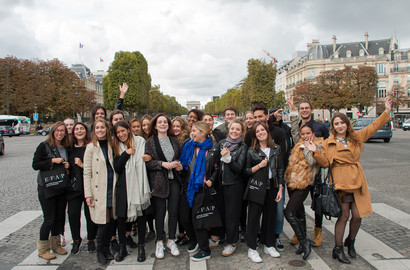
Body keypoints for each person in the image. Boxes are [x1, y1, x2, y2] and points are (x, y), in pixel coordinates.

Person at [305, 97, 393, 264]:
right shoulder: (328, 143)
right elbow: (324, 164)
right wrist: (313, 151)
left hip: (357, 180)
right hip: (341, 181)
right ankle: (337, 249)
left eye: (342, 123)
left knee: (358, 216)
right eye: (336, 123)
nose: (340, 126)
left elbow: (373, 127)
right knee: (344, 216)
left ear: (347, 124)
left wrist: (387, 112)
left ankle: (350, 241)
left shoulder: (356, 137)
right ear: (333, 126)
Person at [287, 96, 329, 247]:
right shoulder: (298, 126)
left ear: (311, 110)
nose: (304, 110)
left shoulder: (320, 127)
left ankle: (318, 231)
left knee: (317, 202)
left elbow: (328, 146)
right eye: (301, 108)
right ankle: (300, 232)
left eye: (306, 108)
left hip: (315, 171)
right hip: (300, 172)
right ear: (299, 111)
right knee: (297, 204)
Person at [179, 121, 219, 262]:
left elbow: (217, 168)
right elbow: (184, 165)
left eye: (195, 130)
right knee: (184, 217)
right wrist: (180, 167)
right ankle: (194, 239)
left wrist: (211, 180)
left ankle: (204, 249)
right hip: (188, 187)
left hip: (202, 189)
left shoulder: (213, 148)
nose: (192, 132)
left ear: (202, 133)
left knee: (199, 220)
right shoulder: (188, 145)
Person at [244, 122, 284, 263]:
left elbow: (280, 170)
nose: (261, 133)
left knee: (270, 216)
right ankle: (252, 249)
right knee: (254, 218)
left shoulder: (276, 149)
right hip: (257, 187)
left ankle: (269, 244)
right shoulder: (251, 151)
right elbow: (246, 171)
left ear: (267, 131)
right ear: (255, 135)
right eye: (257, 131)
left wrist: (280, 188)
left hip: (272, 187)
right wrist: (259, 166)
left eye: (263, 130)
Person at [145, 114, 182, 259]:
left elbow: (178, 157)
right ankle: (160, 241)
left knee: (173, 212)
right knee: (160, 214)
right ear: (155, 125)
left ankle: (171, 240)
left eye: (165, 122)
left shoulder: (174, 140)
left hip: (174, 181)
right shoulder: (150, 142)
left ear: (168, 125)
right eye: (159, 122)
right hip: (159, 181)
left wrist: (178, 164)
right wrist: (162, 164)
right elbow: (147, 162)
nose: (162, 124)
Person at [113, 121, 151, 262]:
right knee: (122, 218)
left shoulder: (140, 141)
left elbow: (147, 157)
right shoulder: (116, 146)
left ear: (128, 130)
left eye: (123, 131)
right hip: (124, 185)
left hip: (140, 184)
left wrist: (149, 158)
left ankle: (141, 246)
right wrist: (126, 154)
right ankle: (122, 246)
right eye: (118, 132)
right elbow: (117, 167)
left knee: (141, 217)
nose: (121, 134)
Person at [284, 123, 322, 260]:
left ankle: (305, 243)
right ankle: (302, 242)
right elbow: (294, 127)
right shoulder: (297, 143)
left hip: (304, 183)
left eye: (308, 133)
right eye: (303, 134)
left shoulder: (317, 145)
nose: (305, 136)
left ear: (313, 133)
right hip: (291, 182)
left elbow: (312, 162)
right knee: (299, 213)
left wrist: (308, 148)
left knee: (288, 212)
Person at [32, 122, 70, 260]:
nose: (60, 133)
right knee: (49, 218)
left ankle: (56, 245)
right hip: (46, 187)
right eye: (57, 131)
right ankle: (43, 248)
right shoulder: (44, 146)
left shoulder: (65, 147)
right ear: (53, 132)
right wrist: (52, 160)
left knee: (59, 217)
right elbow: (35, 164)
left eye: (62, 131)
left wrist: (66, 165)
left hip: (60, 185)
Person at [83, 119, 117, 265]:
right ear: (94, 130)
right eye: (97, 128)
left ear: (106, 129)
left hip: (112, 188)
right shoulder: (91, 147)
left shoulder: (112, 144)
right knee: (102, 224)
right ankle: (100, 250)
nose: (100, 130)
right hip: (99, 190)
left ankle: (107, 249)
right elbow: (87, 172)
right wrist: (88, 194)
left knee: (110, 222)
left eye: (102, 127)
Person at [217, 119, 247, 257]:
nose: (234, 131)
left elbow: (239, 169)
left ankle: (232, 242)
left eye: (238, 129)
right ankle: (222, 237)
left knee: (232, 216)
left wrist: (228, 157)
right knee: (222, 213)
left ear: (242, 132)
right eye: (232, 129)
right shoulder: (222, 143)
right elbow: (215, 164)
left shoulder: (243, 147)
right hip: (220, 184)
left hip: (235, 185)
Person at [66, 122, 98, 254]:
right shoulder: (69, 148)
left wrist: (82, 164)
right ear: (73, 132)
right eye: (76, 129)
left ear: (86, 131)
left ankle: (91, 239)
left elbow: (95, 167)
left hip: (88, 185)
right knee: (73, 214)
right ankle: (76, 239)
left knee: (89, 214)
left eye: (81, 129)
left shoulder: (91, 147)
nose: (79, 131)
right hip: (73, 187)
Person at [268, 108, 294, 251]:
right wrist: (271, 117)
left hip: (280, 173)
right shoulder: (265, 128)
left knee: (279, 208)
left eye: (280, 113)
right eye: (275, 113)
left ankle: (277, 234)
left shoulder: (285, 129)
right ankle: (262, 233)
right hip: (266, 174)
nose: (278, 115)